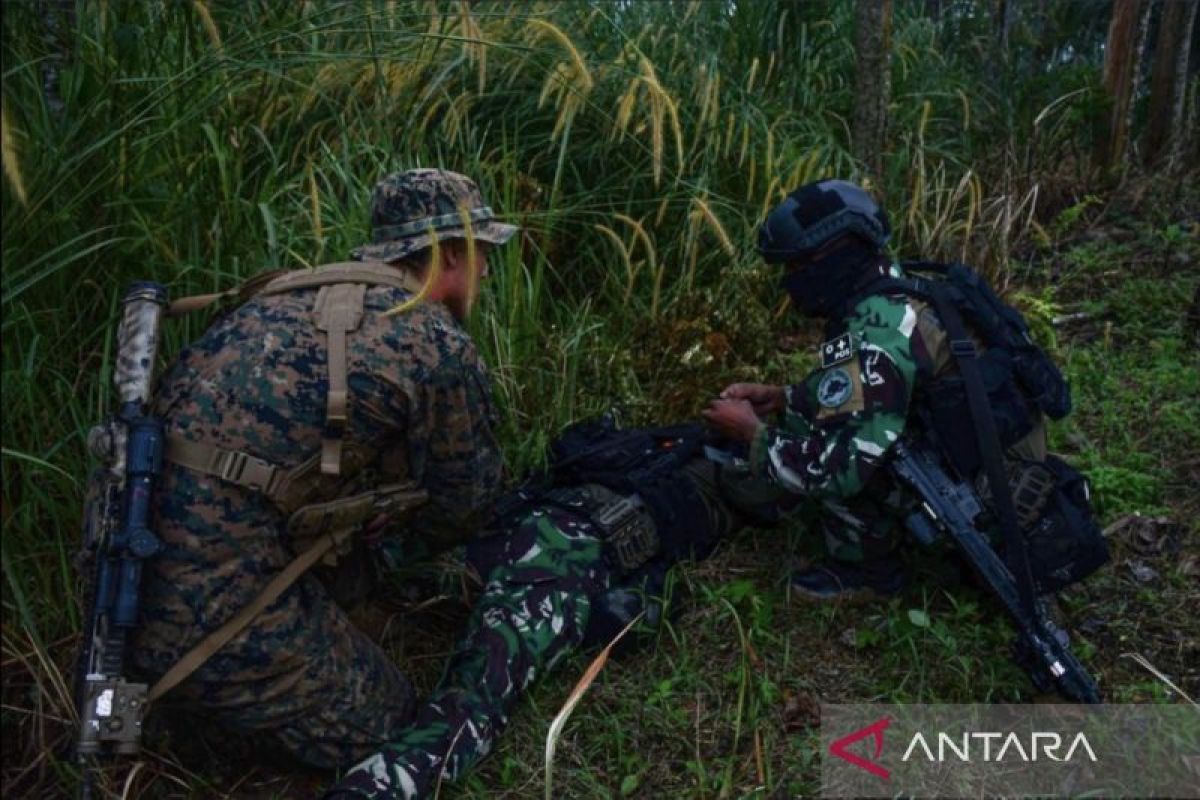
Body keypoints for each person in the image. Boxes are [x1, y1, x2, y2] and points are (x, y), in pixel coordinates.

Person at [132, 168, 517, 769]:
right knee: (401, 735)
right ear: (447, 254)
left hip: (133, 575)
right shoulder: (433, 341)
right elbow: (466, 503)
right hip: (207, 606)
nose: (487, 272)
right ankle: (206, 725)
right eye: (481, 253)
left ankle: (218, 694)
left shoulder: (289, 295)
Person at [326, 419, 789, 799]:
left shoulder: (744, 464)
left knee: (475, 692)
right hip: (509, 530)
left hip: (569, 554)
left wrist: (757, 431)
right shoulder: (652, 436)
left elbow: (785, 484)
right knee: (368, 565)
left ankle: (372, 790)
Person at [701, 178, 1054, 600]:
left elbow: (839, 470)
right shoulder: (898, 286)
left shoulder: (875, 333)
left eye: (798, 266)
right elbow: (872, 386)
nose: (791, 282)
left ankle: (867, 572)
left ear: (837, 256)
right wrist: (785, 397)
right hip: (1001, 453)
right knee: (820, 417)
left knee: (835, 449)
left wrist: (753, 435)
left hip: (984, 495)